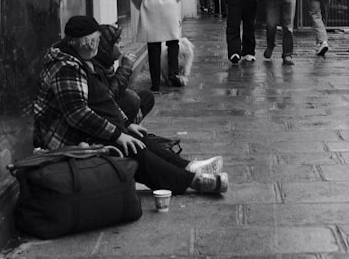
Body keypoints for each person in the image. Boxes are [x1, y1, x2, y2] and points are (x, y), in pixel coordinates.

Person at [33, 15, 228, 194]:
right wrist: (118, 135)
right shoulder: (66, 67)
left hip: (79, 130)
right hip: (67, 139)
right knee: (133, 149)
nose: (99, 45)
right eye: (97, 41)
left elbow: (104, 100)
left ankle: (189, 167)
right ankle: (193, 181)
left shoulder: (80, 61)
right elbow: (78, 114)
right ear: (88, 42)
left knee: (139, 137)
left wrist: (125, 125)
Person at [92, 23, 155, 123]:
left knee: (146, 97)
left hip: (113, 106)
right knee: (132, 100)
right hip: (103, 114)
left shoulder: (107, 63)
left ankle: (130, 127)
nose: (122, 45)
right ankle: (126, 130)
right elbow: (108, 98)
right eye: (117, 43)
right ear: (106, 47)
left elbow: (120, 88)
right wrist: (125, 68)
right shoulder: (95, 68)